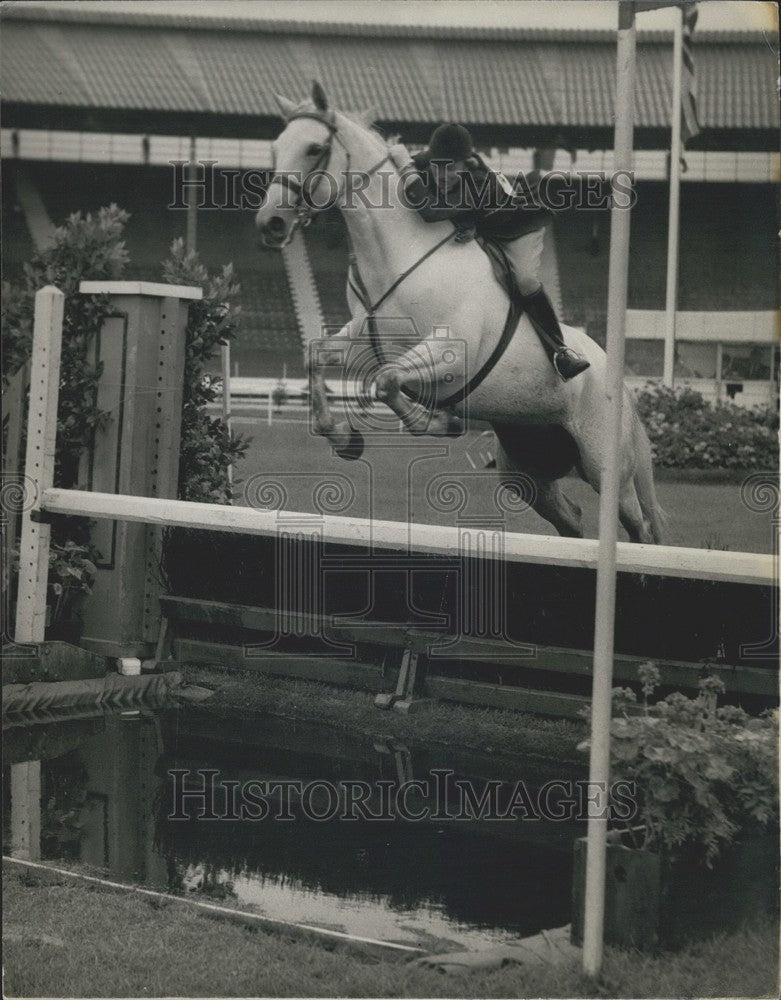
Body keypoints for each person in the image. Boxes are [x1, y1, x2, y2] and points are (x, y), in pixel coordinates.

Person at [389, 123, 590, 381]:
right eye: (436, 166)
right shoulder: (435, 159)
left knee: (524, 281)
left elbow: (430, 212)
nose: (441, 175)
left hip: (515, 229)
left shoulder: (478, 183)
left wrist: (406, 167)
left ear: (466, 164)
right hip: (483, 224)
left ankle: (560, 352)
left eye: (450, 169)